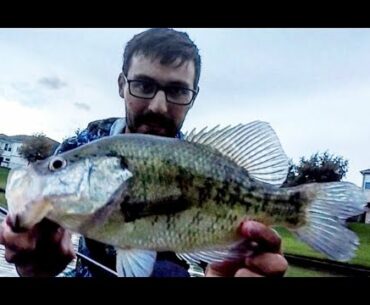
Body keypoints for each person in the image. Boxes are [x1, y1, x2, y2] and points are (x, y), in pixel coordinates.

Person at [0, 28, 288, 277]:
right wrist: (35, 269)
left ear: (193, 97)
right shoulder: (82, 146)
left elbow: (215, 263)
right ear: (122, 85)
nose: (158, 106)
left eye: (177, 91)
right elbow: (40, 247)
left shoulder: (206, 158)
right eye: (144, 85)